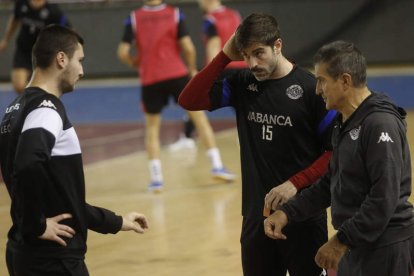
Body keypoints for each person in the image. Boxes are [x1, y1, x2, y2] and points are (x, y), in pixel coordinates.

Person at [179, 13, 336, 276]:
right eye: (245, 55)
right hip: (255, 217)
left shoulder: (312, 90)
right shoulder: (243, 83)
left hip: (303, 216)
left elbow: (334, 152)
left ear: (278, 45)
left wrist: (295, 183)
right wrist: (224, 56)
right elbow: (189, 99)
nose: (252, 63)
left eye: (259, 53)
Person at [0, 25, 149, 276]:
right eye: (79, 60)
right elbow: (28, 163)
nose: (81, 70)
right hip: (53, 258)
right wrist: (36, 225)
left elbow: (62, 197)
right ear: (61, 59)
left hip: (25, 252)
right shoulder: (46, 108)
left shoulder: (15, 108)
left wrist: (117, 221)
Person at [264, 40, 414, 275]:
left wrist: (340, 241)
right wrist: (288, 212)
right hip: (356, 245)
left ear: (345, 80)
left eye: (322, 80)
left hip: (384, 249)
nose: (317, 89)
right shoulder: (344, 121)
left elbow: (383, 198)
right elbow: (331, 181)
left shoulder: (379, 123)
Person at [117, 0, 235, 192]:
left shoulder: (133, 18)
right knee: (200, 119)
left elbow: (122, 52)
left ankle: (156, 179)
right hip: (177, 74)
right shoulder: (175, 14)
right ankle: (216, 165)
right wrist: (191, 69)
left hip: (150, 79)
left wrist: (136, 63)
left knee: (152, 129)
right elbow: (188, 46)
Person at [169, 0, 247, 151]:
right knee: (243, 104)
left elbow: (214, 45)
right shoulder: (234, 14)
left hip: (223, 67)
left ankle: (187, 137)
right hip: (243, 66)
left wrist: (210, 71)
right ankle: (249, 135)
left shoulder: (210, 19)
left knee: (195, 99)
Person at [0, 0, 71, 94]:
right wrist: (6, 39)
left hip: (42, 52)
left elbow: (67, 29)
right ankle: (32, 100)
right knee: (19, 85)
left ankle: (39, 102)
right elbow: (15, 20)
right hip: (23, 50)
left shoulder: (53, 10)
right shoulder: (21, 3)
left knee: (43, 85)